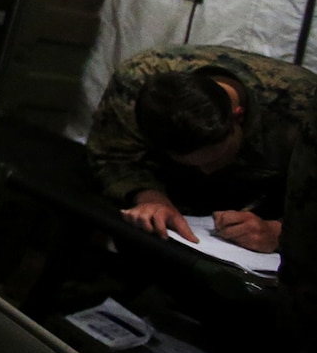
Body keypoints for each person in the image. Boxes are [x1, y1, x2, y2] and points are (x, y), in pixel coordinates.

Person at [86, 44, 317, 252]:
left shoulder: (303, 105)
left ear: (238, 117)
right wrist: (152, 199)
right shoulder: (139, 84)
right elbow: (113, 154)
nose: (206, 171)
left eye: (217, 159)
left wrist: (281, 233)